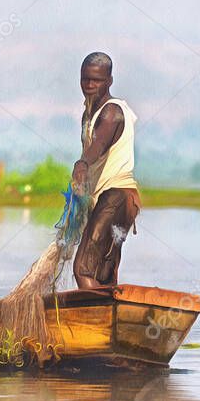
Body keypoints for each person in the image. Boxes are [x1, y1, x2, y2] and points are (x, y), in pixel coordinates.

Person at [70, 52, 142, 288]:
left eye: (96, 80)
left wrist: (82, 163)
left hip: (117, 197)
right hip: (107, 199)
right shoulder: (89, 114)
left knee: (83, 268)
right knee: (103, 273)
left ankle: (92, 322)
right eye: (85, 79)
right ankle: (113, 321)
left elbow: (99, 145)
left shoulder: (112, 112)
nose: (90, 86)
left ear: (109, 81)